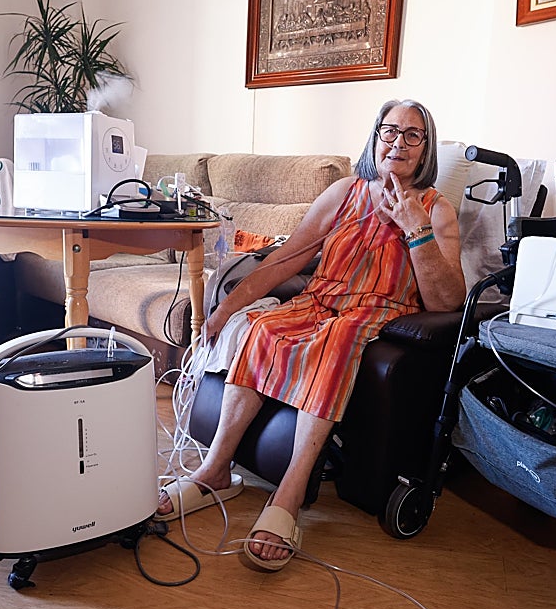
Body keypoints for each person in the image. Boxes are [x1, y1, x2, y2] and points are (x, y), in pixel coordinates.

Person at [155, 99, 466, 570]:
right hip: (317, 301)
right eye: (389, 131)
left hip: (372, 314)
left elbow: (446, 301)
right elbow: (284, 260)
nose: (398, 143)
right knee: (262, 328)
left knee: (335, 342)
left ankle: (289, 494)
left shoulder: (436, 211)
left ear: (426, 151)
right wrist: (224, 310)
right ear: (375, 137)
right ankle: (214, 470)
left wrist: (415, 230)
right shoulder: (344, 193)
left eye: (412, 135)